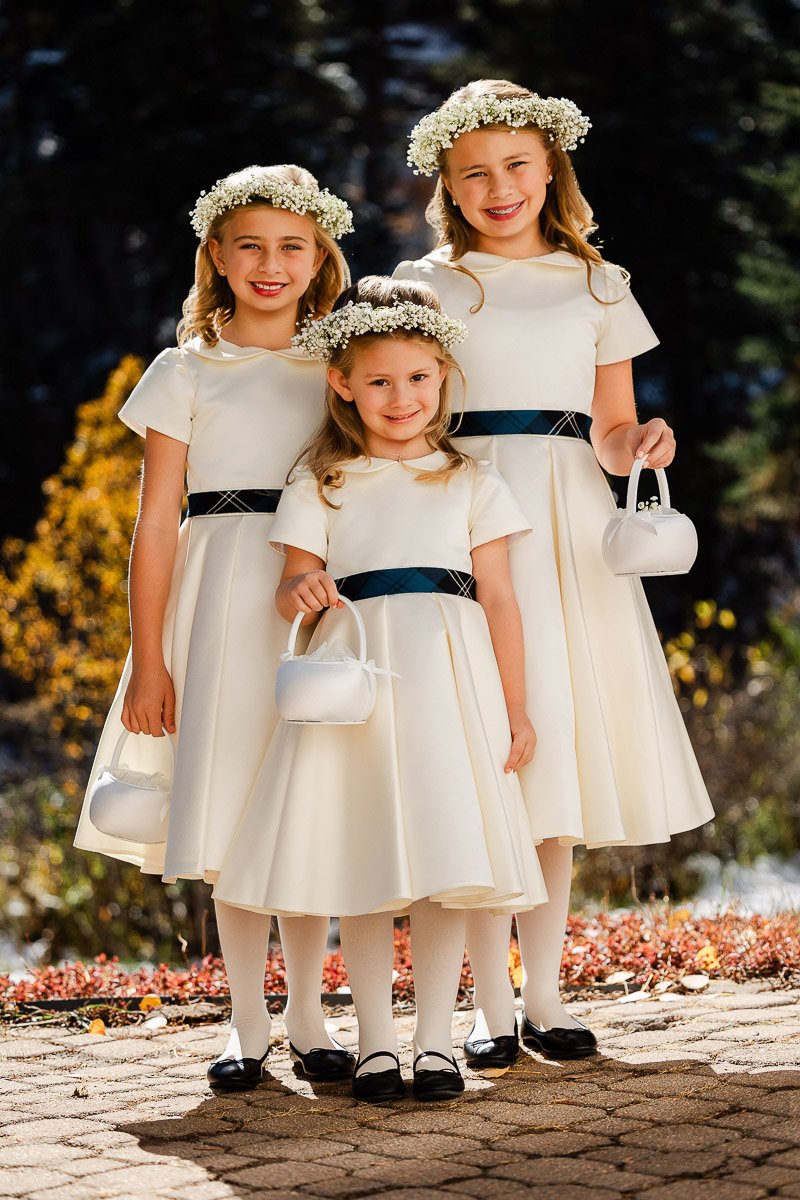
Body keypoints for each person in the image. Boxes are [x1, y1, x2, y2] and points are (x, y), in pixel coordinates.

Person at [394, 79, 714, 1070]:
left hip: (568, 523)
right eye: (474, 174)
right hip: (460, 514)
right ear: (447, 182)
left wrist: (639, 440)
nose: (498, 189)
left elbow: (611, 433)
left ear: (550, 170)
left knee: (551, 759)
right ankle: (484, 1011)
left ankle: (540, 1000)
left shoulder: (597, 287)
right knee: (480, 754)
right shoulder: (423, 287)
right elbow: (394, 410)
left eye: (516, 167)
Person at [213, 275, 548, 1102]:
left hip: (449, 681)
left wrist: (515, 709)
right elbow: (292, 582)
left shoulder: (472, 482)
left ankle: (434, 1041)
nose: (402, 398)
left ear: (442, 377)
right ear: (343, 385)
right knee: (364, 860)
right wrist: (306, 591)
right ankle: (373, 1043)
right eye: (380, 382)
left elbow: (501, 600)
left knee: (441, 859)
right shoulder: (323, 483)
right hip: (358, 685)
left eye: (419, 378)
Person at [74, 164, 358, 1092]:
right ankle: (245, 1022)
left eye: (292, 246)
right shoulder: (183, 370)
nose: (271, 265)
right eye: (251, 246)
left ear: (320, 257)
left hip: (312, 589)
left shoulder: (340, 364)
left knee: (306, 797)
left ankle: (314, 1014)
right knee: (232, 809)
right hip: (214, 598)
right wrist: (146, 660)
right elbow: (157, 525)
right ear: (217, 257)